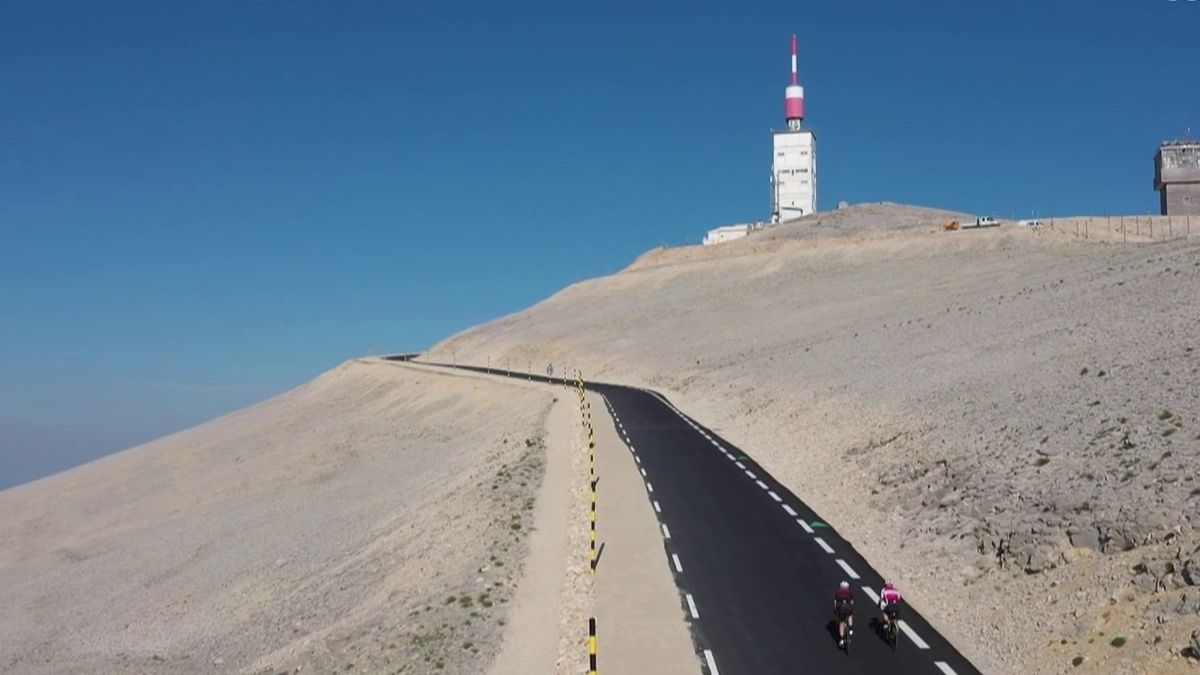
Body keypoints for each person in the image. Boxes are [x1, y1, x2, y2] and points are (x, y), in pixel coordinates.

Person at [833, 580, 854, 647]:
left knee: (841, 623)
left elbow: (835, 602)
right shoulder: (849, 592)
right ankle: (850, 628)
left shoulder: (838, 592)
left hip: (841, 608)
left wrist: (835, 609)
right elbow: (852, 602)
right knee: (850, 615)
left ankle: (841, 639)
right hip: (848, 607)